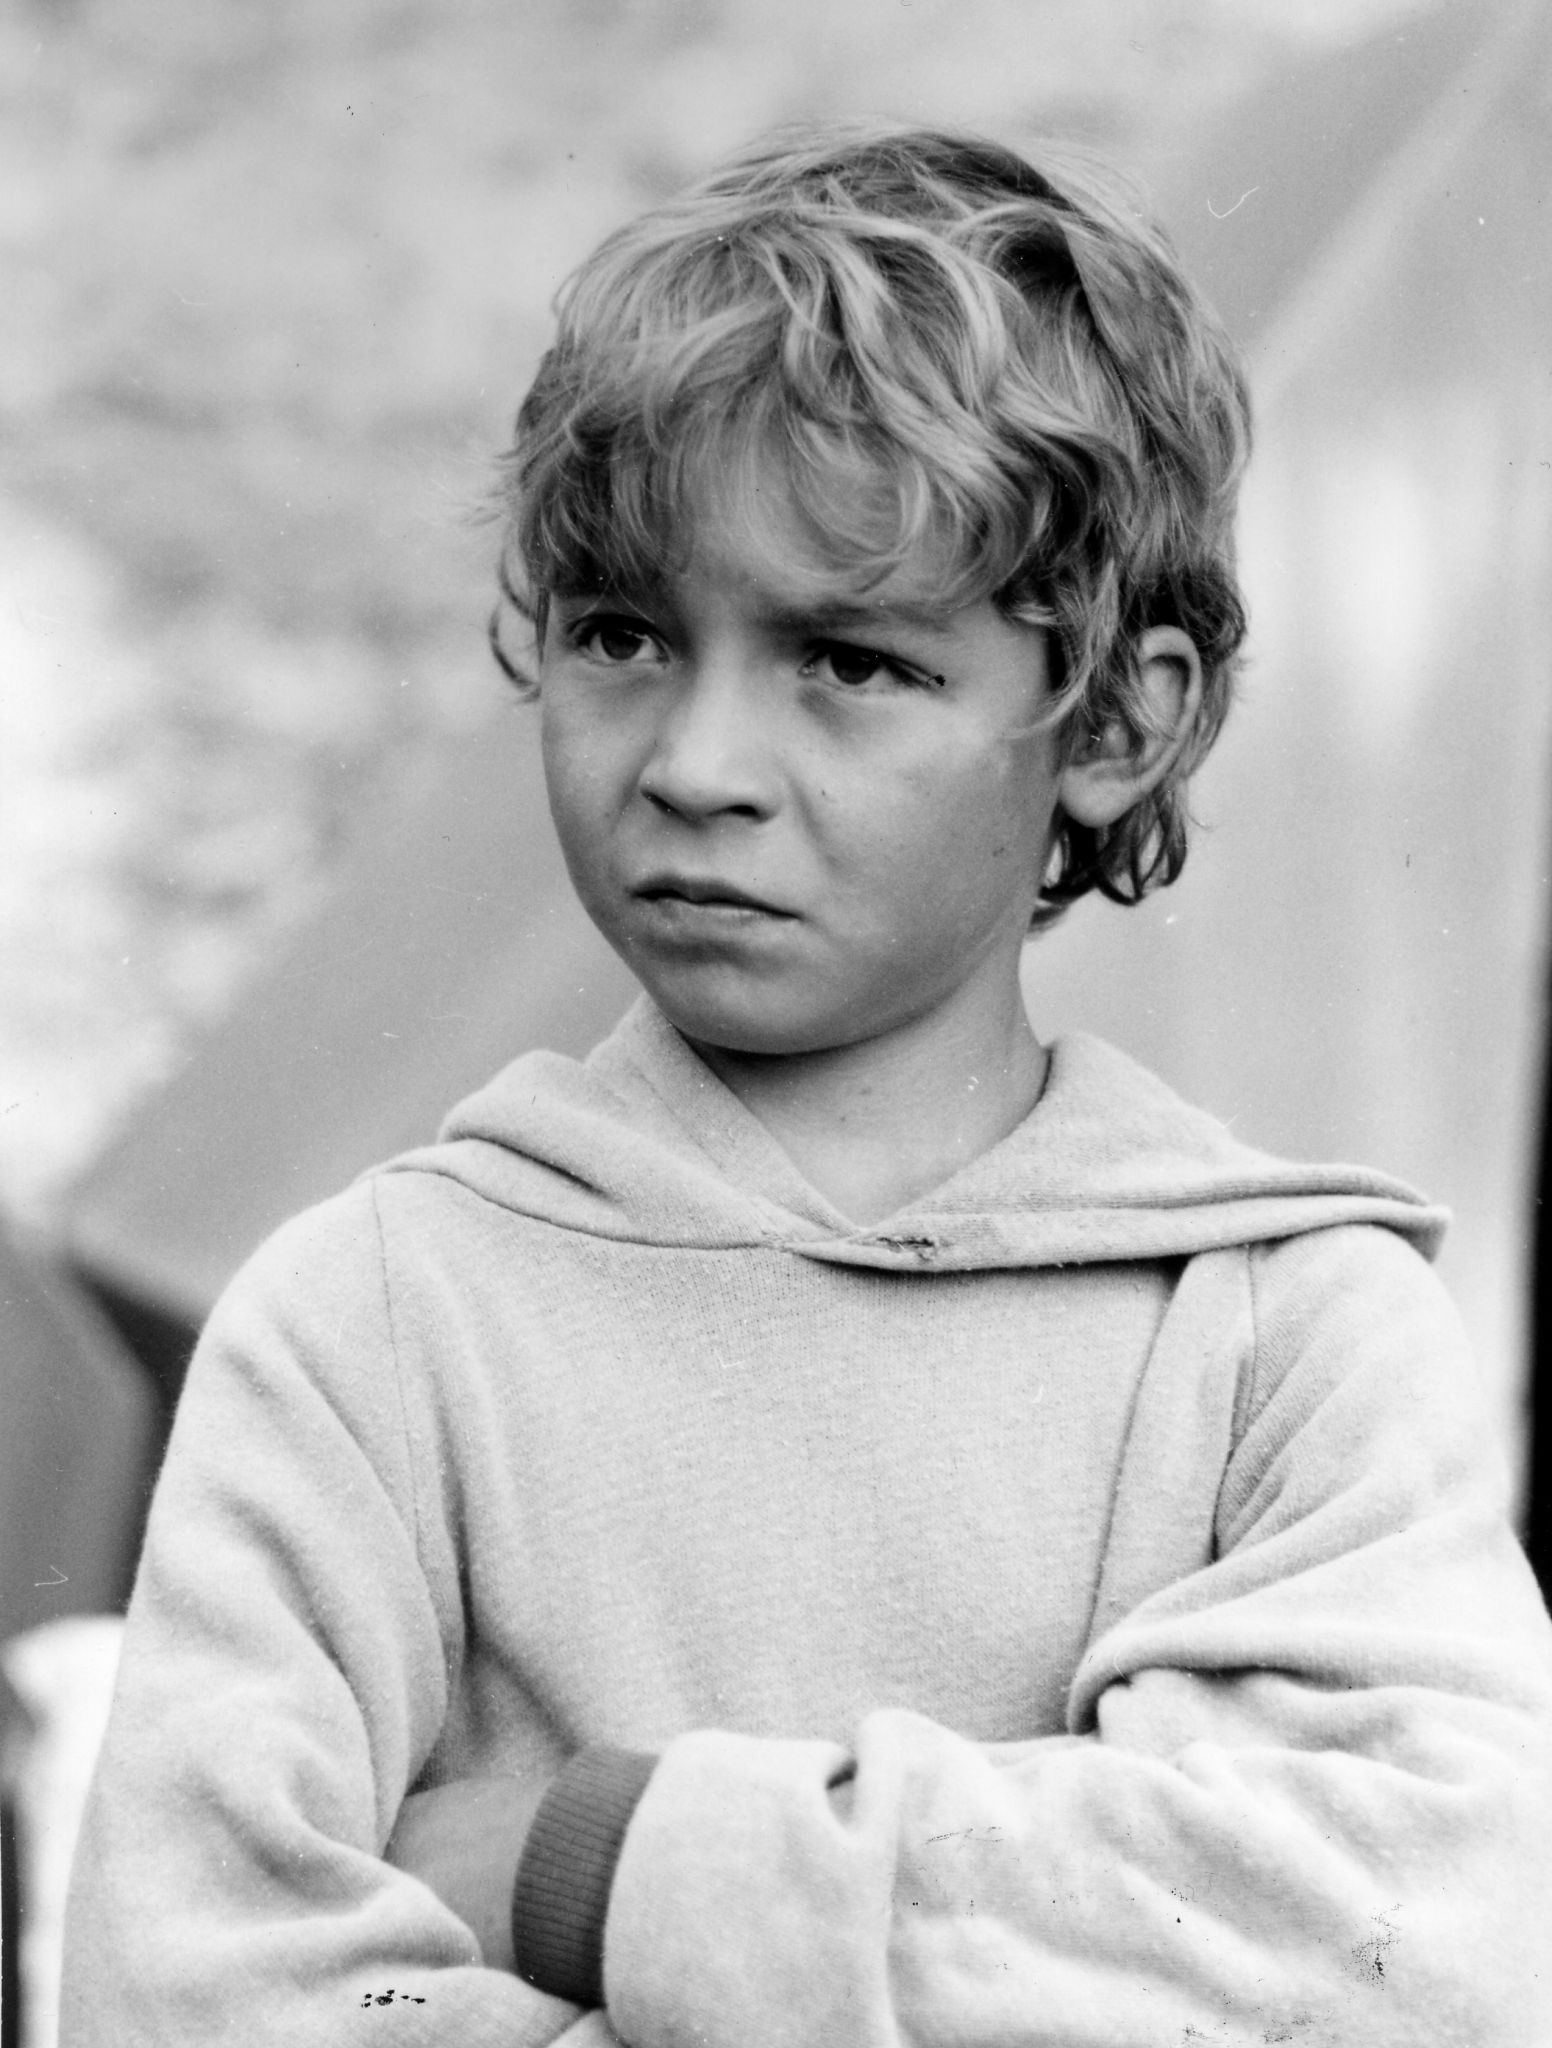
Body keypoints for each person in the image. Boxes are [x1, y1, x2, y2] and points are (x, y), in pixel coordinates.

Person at [62, 124, 1552, 2046]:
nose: (695, 763)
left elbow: (1432, 1948)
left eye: (845, 661)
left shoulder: (1291, 1340)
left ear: (1115, 719)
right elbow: (187, 1999)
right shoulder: (372, 1329)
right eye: (622, 635)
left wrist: (602, 1861)